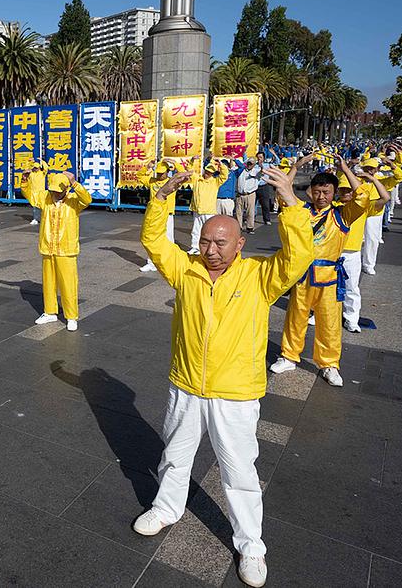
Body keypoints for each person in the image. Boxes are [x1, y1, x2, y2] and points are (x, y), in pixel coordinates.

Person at [134, 165, 312, 588]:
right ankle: (165, 509)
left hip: (234, 392)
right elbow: (154, 241)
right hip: (186, 384)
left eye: (221, 242)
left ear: (240, 244)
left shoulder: (259, 277)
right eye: (205, 241)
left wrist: (289, 200)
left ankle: (251, 546)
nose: (211, 249)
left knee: (239, 472)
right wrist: (161, 198)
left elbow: (299, 256)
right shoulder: (187, 271)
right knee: (175, 455)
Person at [269, 156, 376, 387]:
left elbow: (363, 197)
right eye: (317, 191)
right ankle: (288, 356)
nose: (321, 196)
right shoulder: (303, 211)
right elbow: (283, 194)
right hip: (303, 275)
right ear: (311, 192)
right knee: (295, 318)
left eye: (326, 192)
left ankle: (329, 364)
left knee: (329, 323)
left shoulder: (342, 214)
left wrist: (344, 169)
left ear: (334, 192)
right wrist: (296, 166)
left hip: (328, 278)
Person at [21, 170, 91, 332]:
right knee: (49, 283)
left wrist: (74, 183)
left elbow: (87, 199)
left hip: (66, 249)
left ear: (66, 189)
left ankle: (71, 316)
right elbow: (31, 195)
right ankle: (50, 312)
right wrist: (24, 181)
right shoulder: (45, 197)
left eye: (58, 191)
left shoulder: (74, 201)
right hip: (48, 247)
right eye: (53, 190)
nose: (55, 193)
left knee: (68, 284)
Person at [336, 169, 389, 333]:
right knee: (325, 288)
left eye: (348, 189)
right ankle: (319, 314)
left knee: (351, 288)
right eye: (342, 189)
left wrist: (372, 179)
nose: (346, 192)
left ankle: (351, 318)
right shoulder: (332, 205)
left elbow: (385, 198)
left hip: (352, 254)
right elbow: (311, 193)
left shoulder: (364, 207)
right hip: (331, 253)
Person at [361, 154, 402, 275]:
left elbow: (399, 177)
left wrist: (392, 165)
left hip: (374, 213)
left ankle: (368, 264)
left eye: (372, 168)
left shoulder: (382, 182)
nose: (369, 170)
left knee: (372, 239)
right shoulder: (357, 180)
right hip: (358, 212)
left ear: (377, 169)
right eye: (367, 167)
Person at [136, 159, 176, 272]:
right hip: (154, 215)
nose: (159, 175)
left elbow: (183, 175)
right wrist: (147, 167)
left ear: (167, 172)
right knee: (152, 239)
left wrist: (174, 163)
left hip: (167, 214)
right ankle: (151, 263)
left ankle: (170, 263)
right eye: (158, 173)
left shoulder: (172, 182)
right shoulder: (152, 181)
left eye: (162, 173)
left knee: (168, 239)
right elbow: (139, 176)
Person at [188, 158, 230, 254]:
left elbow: (224, 175)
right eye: (207, 171)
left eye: (210, 172)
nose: (207, 173)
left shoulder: (215, 182)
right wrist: (192, 161)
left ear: (212, 173)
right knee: (196, 230)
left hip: (209, 211)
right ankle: (195, 247)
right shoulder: (197, 179)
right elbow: (189, 171)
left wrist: (221, 165)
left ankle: (208, 248)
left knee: (209, 231)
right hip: (197, 210)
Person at [234, 158, 260, 234]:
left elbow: (262, 172)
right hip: (240, 194)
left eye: (251, 163)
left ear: (254, 164)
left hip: (250, 194)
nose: (249, 165)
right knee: (238, 212)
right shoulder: (242, 170)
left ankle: (250, 227)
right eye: (248, 163)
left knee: (250, 211)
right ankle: (239, 227)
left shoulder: (256, 171)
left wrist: (261, 166)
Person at [253, 150, 279, 225]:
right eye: (258, 157)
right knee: (253, 205)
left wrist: (274, 153)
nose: (259, 159)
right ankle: (252, 218)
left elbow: (277, 162)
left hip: (264, 186)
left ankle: (267, 219)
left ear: (264, 158)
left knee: (265, 204)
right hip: (255, 186)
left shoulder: (267, 165)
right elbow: (245, 162)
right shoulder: (254, 165)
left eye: (261, 157)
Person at [26, 161, 46, 226]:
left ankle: (45, 219)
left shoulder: (42, 173)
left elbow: (46, 167)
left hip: (41, 193)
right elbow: (26, 170)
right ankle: (35, 219)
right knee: (35, 207)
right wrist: (29, 162)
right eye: (35, 167)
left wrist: (41, 161)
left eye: (37, 167)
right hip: (33, 193)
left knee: (43, 207)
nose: (36, 169)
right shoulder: (31, 174)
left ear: (40, 167)